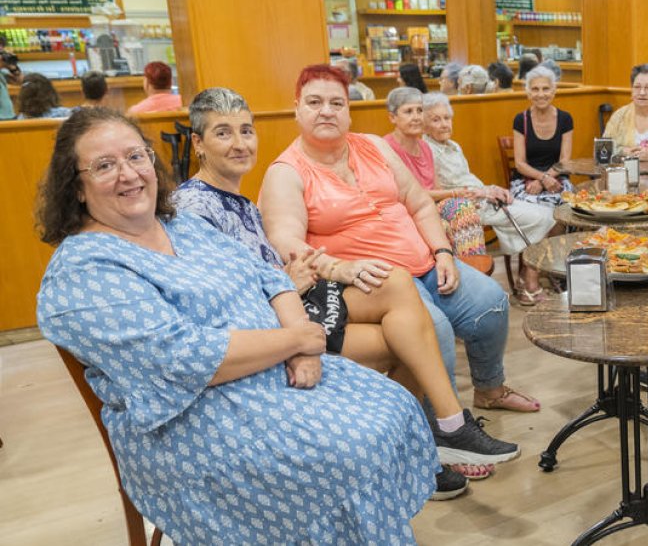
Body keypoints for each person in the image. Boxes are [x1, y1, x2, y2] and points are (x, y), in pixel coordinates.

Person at [36, 107, 437, 543]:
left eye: (136, 157)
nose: (128, 174)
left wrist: (304, 348)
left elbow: (269, 276)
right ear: (75, 187)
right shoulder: (84, 270)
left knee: (392, 408)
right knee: (347, 452)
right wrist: (296, 339)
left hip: (273, 378)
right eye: (104, 166)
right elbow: (180, 359)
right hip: (193, 421)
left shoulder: (182, 223)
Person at [173, 87, 518, 494]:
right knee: (410, 336)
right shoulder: (195, 208)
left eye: (246, 131)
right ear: (198, 143)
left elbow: (262, 269)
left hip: (293, 305)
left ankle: (442, 429)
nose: (239, 144)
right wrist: (292, 294)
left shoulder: (238, 200)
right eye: (223, 134)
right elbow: (217, 304)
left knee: (397, 283)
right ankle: (422, 445)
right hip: (262, 335)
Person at [259, 64, 540, 413]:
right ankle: (443, 425)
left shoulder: (375, 146)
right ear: (297, 108)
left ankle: (489, 390)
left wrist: (442, 252)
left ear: (349, 110)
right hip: (373, 283)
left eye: (337, 103)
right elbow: (285, 241)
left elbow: (420, 203)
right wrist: (341, 268)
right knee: (434, 329)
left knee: (492, 302)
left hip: (426, 264)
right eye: (315, 102)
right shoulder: (286, 172)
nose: (327, 111)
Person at [423, 92, 558, 304]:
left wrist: (493, 188)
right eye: (435, 119)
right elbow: (450, 189)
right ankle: (528, 281)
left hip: (485, 200)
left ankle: (527, 274)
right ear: (424, 124)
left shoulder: (453, 146)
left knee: (552, 212)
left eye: (447, 118)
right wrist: (487, 192)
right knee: (546, 216)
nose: (443, 124)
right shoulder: (427, 149)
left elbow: (467, 179)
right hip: (468, 207)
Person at [383, 87, 486, 257]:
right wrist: (454, 193)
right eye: (408, 111)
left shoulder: (425, 146)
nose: (416, 117)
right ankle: (457, 271)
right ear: (392, 117)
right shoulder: (387, 147)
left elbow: (437, 188)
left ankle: (473, 270)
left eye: (419, 111)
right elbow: (404, 196)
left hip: (432, 205)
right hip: (406, 210)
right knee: (455, 216)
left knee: (465, 209)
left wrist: (461, 196)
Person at [510, 66, 574, 207]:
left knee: (565, 207)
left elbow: (564, 160)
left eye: (545, 88)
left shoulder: (565, 118)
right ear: (528, 93)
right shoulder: (520, 119)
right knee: (532, 207)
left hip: (558, 179)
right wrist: (542, 178)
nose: (541, 94)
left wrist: (545, 179)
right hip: (526, 181)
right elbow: (520, 164)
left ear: (554, 91)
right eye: (535, 89)